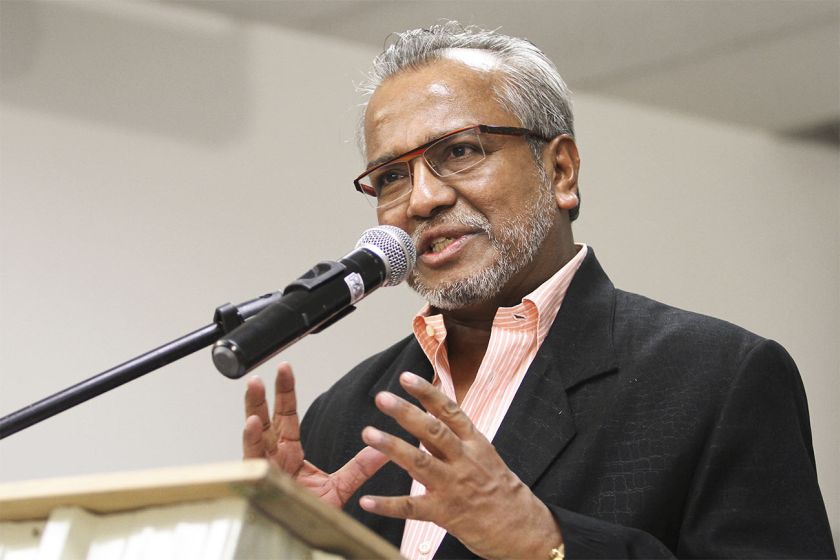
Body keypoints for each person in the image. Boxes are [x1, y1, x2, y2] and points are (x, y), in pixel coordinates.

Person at [241, 22, 836, 559]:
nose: (422, 198)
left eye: (460, 151)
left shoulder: (717, 378)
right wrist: (280, 545)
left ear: (560, 172)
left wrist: (547, 544)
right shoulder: (344, 414)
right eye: (392, 175)